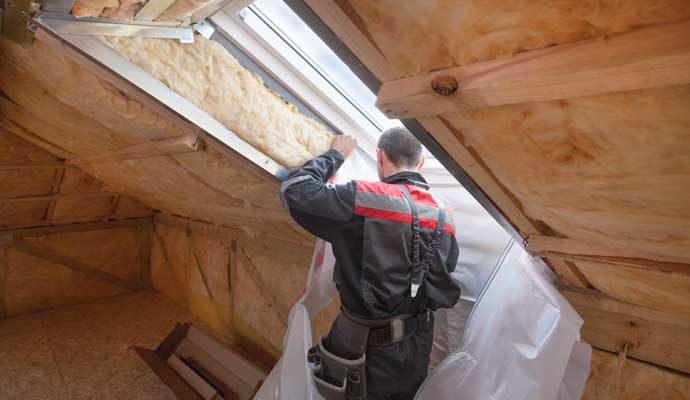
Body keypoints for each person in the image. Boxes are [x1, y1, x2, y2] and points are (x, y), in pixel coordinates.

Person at [280, 127, 461, 400]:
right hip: (416, 349)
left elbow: (293, 191)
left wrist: (335, 155)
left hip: (366, 353)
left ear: (379, 156)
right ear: (421, 163)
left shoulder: (364, 198)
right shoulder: (444, 217)